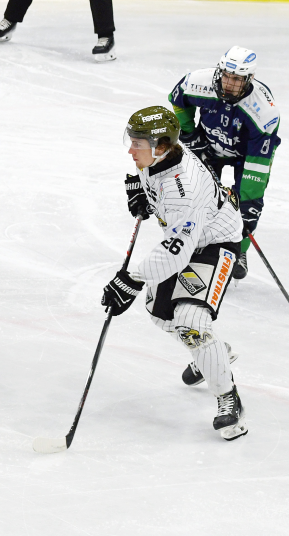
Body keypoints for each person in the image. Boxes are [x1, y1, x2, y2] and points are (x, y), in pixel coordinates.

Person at [102, 106, 247, 441]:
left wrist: (133, 279)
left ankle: (228, 397)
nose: (130, 149)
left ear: (162, 146)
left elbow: (177, 252)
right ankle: (214, 353)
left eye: (137, 143)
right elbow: (156, 188)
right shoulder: (161, 158)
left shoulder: (184, 190)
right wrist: (143, 195)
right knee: (160, 312)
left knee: (191, 322)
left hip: (215, 245)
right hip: (187, 242)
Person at [169, 46, 280, 279]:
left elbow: (257, 166)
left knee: (246, 205)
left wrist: (248, 207)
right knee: (197, 195)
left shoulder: (264, 112)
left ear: (249, 79)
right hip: (209, 148)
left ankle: (238, 251)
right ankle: (198, 244)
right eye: (226, 76)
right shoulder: (199, 82)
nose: (229, 83)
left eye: (237, 79)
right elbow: (177, 100)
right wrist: (190, 135)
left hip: (246, 156)